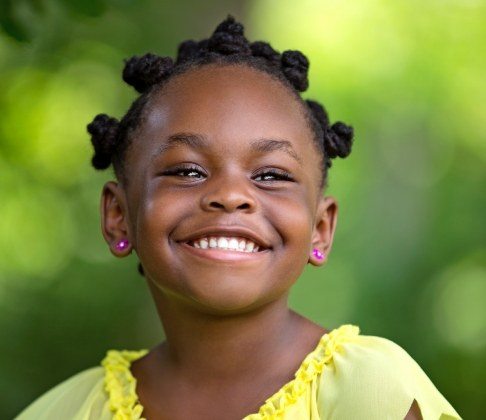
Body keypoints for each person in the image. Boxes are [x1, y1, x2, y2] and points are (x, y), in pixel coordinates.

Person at [15, 14, 461, 420]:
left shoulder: (372, 392)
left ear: (320, 228)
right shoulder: (66, 411)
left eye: (270, 174)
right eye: (187, 171)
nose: (230, 196)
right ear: (118, 216)